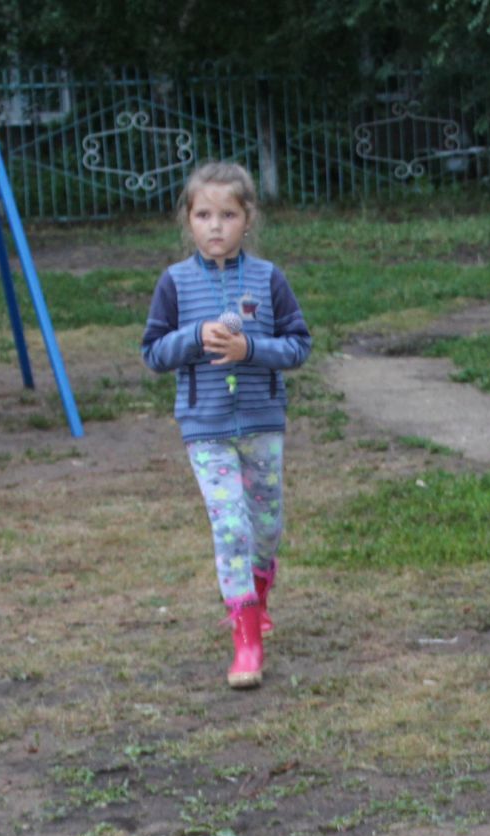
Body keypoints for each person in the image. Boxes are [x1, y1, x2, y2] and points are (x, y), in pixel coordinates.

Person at [141, 162, 312, 690]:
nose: (216, 226)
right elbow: (153, 352)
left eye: (228, 215)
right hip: (205, 427)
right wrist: (194, 336)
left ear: (248, 218)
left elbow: (299, 345)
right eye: (204, 215)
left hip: (262, 424)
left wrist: (250, 349)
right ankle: (245, 638)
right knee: (230, 525)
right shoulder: (175, 282)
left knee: (265, 527)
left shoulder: (267, 279)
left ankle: (258, 599)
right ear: (188, 220)